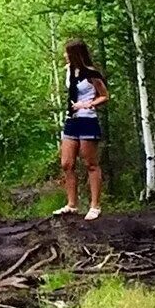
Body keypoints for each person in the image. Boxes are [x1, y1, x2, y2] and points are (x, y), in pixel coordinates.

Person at [56, 39, 108, 220]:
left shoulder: (91, 74)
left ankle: (95, 205)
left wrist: (88, 104)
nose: (64, 55)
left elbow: (104, 95)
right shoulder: (69, 71)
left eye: (67, 52)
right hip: (72, 119)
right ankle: (72, 204)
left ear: (75, 54)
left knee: (90, 163)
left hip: (87, 119)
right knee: (66, 163)